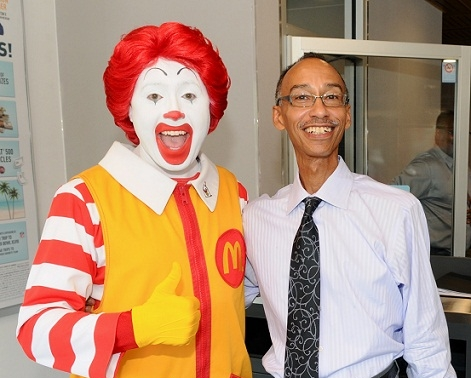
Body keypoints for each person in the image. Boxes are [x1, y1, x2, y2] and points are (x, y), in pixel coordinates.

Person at [16, 23, 251, 378]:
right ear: (129, 108)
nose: (174, 111)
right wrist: (133, 328)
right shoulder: (82, 201)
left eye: (189, 95)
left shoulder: (235, 195)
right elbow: (35, 330)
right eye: (154, 96)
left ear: (212, 107)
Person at [243, 52, 455, 377]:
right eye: (302, 97)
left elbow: (426, 339)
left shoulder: (395, 211)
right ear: (279, 115)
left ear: (347, 114)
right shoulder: (256, 219)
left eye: (331, 97)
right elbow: (224, 299)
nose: (319, 110)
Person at [392, 110, 471, 256]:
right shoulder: (426, 166)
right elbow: (391, 198)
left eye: (464, 132)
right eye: (451, 132)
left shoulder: (461, 167)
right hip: (437, 256)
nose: (456, 137)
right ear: (438, 134)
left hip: (460, 253)